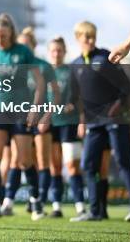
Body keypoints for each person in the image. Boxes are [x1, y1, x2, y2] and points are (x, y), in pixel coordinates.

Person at [0, 14, 46, 220]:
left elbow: (40, 83)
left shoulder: (23, 52)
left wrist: (35, 109)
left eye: (3, 36)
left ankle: (36, 201)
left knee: (24, 160)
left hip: (20, 111)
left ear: (11, 33)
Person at [69, 21, 130, 222]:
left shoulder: (106, 57)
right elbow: (77, 97)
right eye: (86, 36)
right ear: (78, 38)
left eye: (93, 36)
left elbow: (126, 87)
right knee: (89, 165)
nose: (90, 40)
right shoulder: (75, 64)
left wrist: (118, 105)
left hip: (115, 119)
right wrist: (81, 120)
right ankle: (95, 211)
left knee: (123, 161)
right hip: (92, 124)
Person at [16, 27, 61, 218]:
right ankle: (32, 199)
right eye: (20, 45)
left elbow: (56, 95)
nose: (23, 48)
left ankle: (40, 202)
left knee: (44, 162)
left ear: (32, 47)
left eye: (26, 45)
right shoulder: (14, 67)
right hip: (21, 121)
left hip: (41, 121)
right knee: (26, 161)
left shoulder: (44, 66)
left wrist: (46, 117)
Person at [46, 36, 87, 220]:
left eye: (59, 50)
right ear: (49, 52)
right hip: (50, 125)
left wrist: (82, 120)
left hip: (69, 124)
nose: (56, 53)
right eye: (53, 50)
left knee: (72, 166)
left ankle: (80, 207)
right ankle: (57, 206)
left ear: (64, 52)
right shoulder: (43, 72)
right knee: (54, 167)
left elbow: (80, 99)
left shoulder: (71, 71)